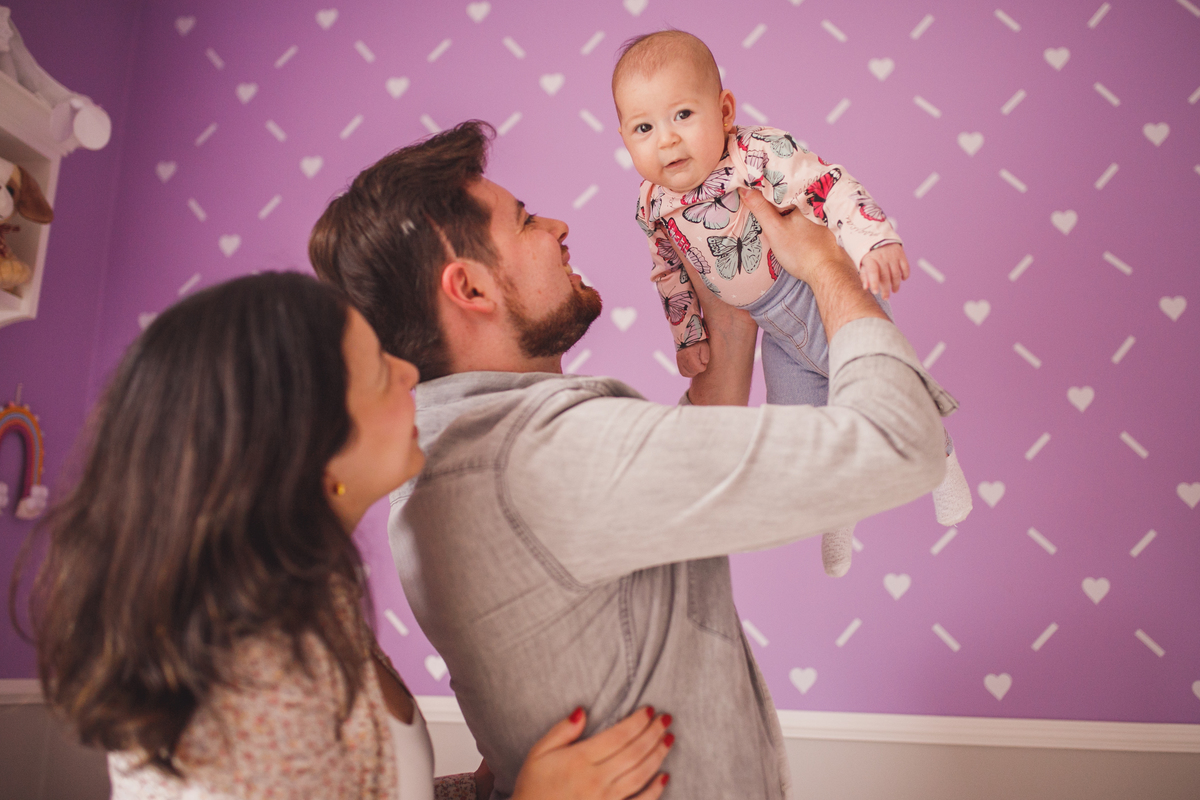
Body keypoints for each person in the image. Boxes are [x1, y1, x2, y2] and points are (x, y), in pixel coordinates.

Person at [309, 120, 957, 799]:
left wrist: (726, 313)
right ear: (470, 289)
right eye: (525, 221)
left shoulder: (464, 458)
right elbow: (899, 443)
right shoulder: (544, 456)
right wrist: (827, 266)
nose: (556, 226)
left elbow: (645, 505)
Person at [17, 273, 673, 800]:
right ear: (307, 445)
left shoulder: (306, 599)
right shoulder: (250, 696)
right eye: (378, 371)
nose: (410, 374)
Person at [613, 30, 973, 577]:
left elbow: (827, 186)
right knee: (798, 429)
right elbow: (668, 271)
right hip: (774, 333)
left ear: (725, 110)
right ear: (623, 137)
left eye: (683, 115)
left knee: (886, 397)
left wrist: (873, 240)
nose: (666, 141)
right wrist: (689, 337)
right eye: (644, 128)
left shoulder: (759, 155)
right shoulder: (651, 204)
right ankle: (835, 516)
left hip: (814, 299)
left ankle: (943, 466)